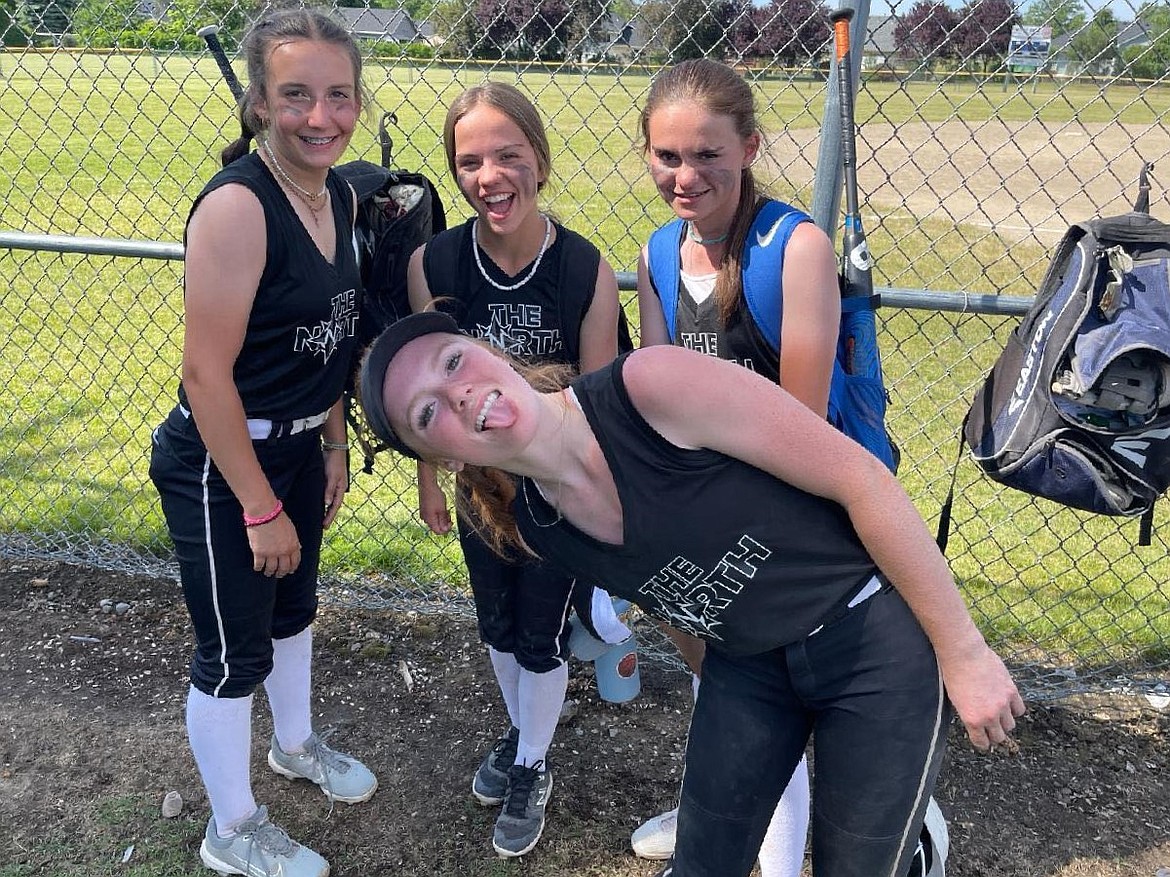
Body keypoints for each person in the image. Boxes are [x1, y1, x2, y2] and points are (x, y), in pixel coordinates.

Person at [358, 311, 1025, 877]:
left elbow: (863, 480)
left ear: (487, 350)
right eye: (426, 413)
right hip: (749, 665)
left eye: (453, 361)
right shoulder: (538, 519)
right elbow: (658, 591)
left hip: (868, 636)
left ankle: (911, 843)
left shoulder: (650, 387)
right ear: (439, 457)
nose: (459, 394)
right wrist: (726, 703)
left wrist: (963, 652)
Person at [148, 10, 376, 877]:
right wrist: (259, 504)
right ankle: (232, 829)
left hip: (293, 449)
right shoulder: (240, 206)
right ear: (256, 101)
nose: (321, 117)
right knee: (231, 652)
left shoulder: (340, 193)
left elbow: (330, 333)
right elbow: (205, 377)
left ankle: (296, 743)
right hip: (222, 461)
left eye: (337, 95)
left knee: (295, 611)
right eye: (295, 96)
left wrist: (329, 445)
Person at [402, 81, 624, 858]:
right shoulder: (435, 261)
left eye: (508, 155)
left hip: (555, 488)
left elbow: (601, 405)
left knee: (540, 635)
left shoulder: (583, 268)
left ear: (539, 159)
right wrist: (432, 476)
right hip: (477, 485)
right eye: (469, 161)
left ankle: (532, 761)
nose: (489, 176)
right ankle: (524, 733)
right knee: (495, 623)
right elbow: (423, 385)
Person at [632, 57, 841, 876]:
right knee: (713, 681)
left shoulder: (795, 247)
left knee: (761, 693)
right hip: (703, 503)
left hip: (786, 506)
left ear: (750, 146)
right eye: (668, 157)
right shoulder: (657, 251)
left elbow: (802, 430)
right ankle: (717, 803)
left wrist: (715, 531)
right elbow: (657, 401)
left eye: (708, 155)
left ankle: (783, 859)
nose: (687, 177)